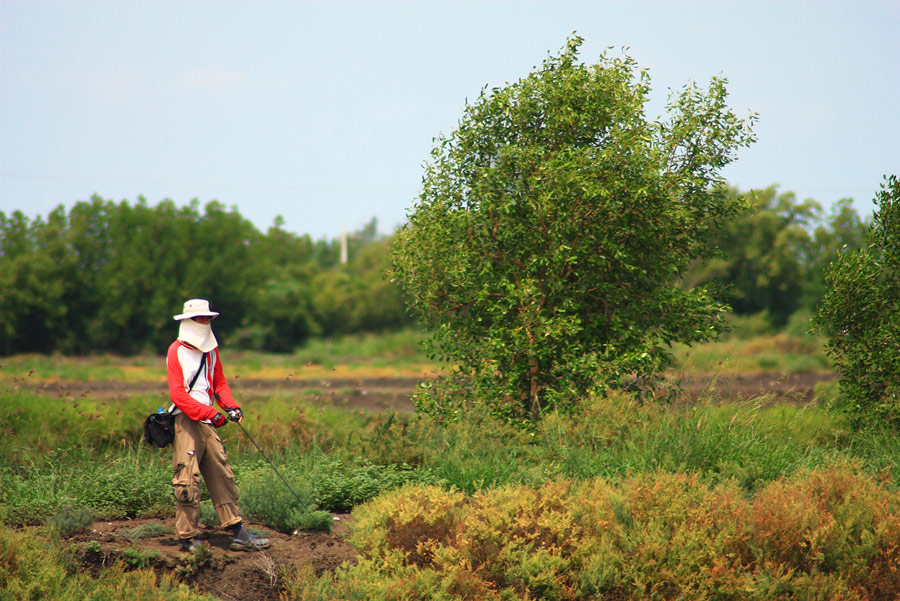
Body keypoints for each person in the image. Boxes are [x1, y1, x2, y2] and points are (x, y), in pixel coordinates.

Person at [166, 298, 270, 553]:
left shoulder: (211, 351)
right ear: (188, 321)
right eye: (199, 318)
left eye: (207, 318)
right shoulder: (176, 350)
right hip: (186, 420)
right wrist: (210, 413)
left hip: (206, 420)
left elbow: (220, 383)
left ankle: (237, 531)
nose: (205, 322)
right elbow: (178, 395)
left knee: (221, 473)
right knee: (187, 478)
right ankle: (189, 537)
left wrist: (231, 407)